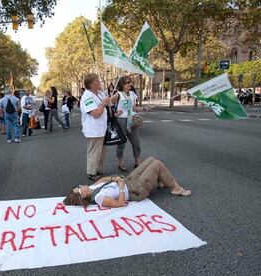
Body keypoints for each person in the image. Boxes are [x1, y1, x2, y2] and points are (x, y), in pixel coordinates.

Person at [63, 157, 192, 208]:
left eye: (78, 186)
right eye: (79, 190)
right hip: (135, 189)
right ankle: (176, 188)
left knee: (151, 159)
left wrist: (113, 179)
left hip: (128, 180)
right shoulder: (99, 198)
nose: (80, 186)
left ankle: (161, 180)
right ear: (83, 196)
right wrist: (119, 185)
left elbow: (102, 180)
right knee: (157, 164)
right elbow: (120, 203)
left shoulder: (91, 187)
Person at [111, 76, 146, 171]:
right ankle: (120, 163)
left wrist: (144, 108)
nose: (130, 84)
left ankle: (137, 161)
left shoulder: (132, 94)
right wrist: (115, 114)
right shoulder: (118, 95)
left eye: (130, 82)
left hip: (132, 120)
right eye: (127, 82)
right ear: (122, 85)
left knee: (136, 143)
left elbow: (134, 108)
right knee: (121, 143)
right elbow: (107, 104)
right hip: (121, 121)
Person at [80, 73, 110, 181]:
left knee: (101, 152)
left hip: (102, 128)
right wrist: (102, 104)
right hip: (93, 129)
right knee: (94, 152)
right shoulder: (87, 96)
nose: (99, 82)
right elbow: (96, 114)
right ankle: (91, 172)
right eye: (96, 81)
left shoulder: (100, 93)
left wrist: (108, 101)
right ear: (91, 84)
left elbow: (108, 104)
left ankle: (99, 170)